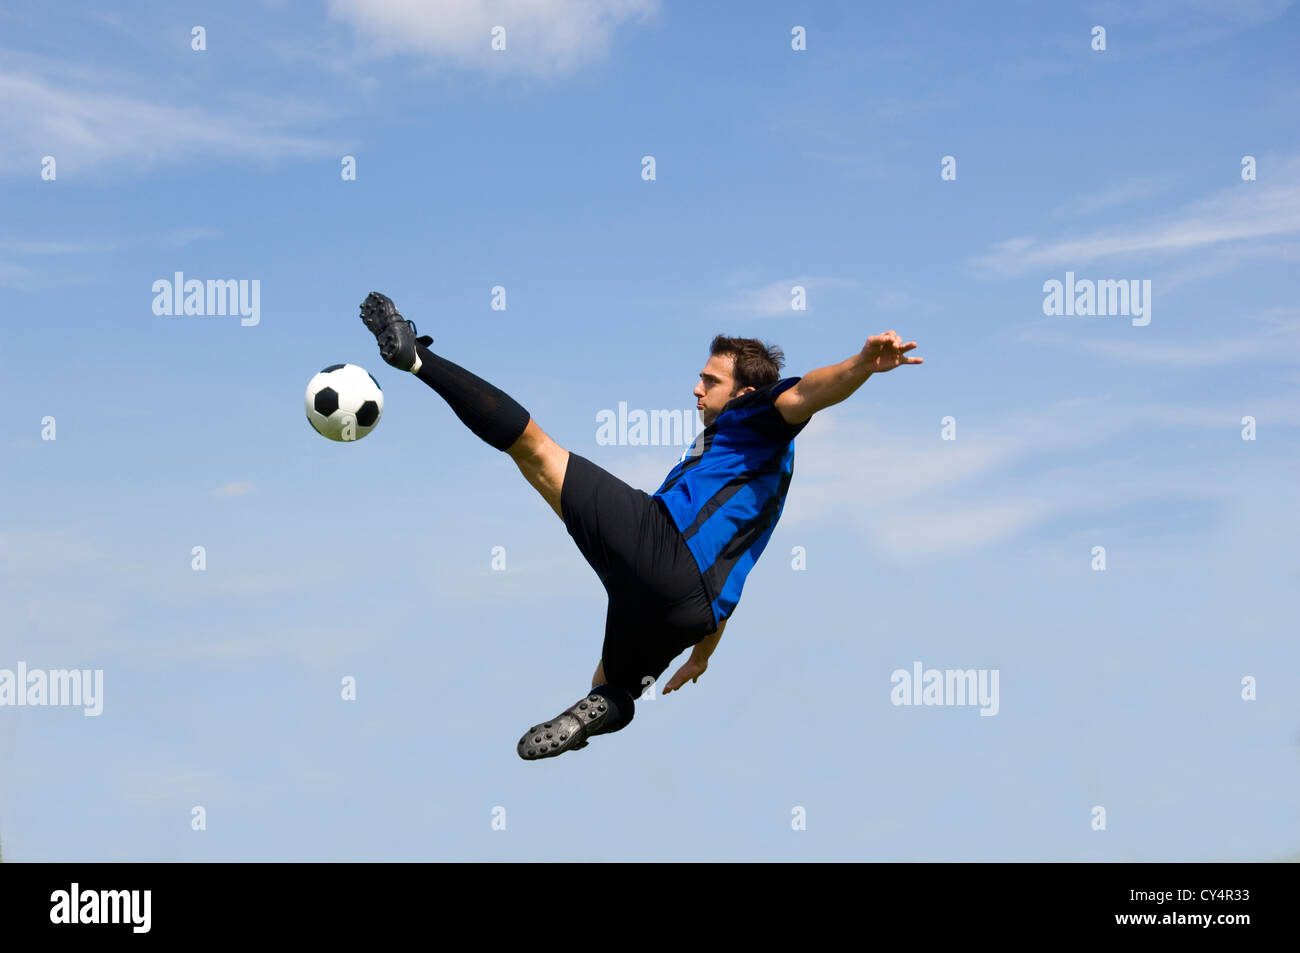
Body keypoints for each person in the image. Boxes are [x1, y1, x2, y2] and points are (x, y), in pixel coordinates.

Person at [359, 291, 922, 760]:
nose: (696, 389)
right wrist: (703, 654)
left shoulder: (761, 416)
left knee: (534, 450)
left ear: (744, 393)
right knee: (613, 687)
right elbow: (732, 575)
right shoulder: (761, 475)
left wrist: (861, 364)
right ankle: (596, 715)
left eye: (709, 381)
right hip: (694, 612)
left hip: (660, 546)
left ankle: (416, 359)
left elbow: (809, 392)